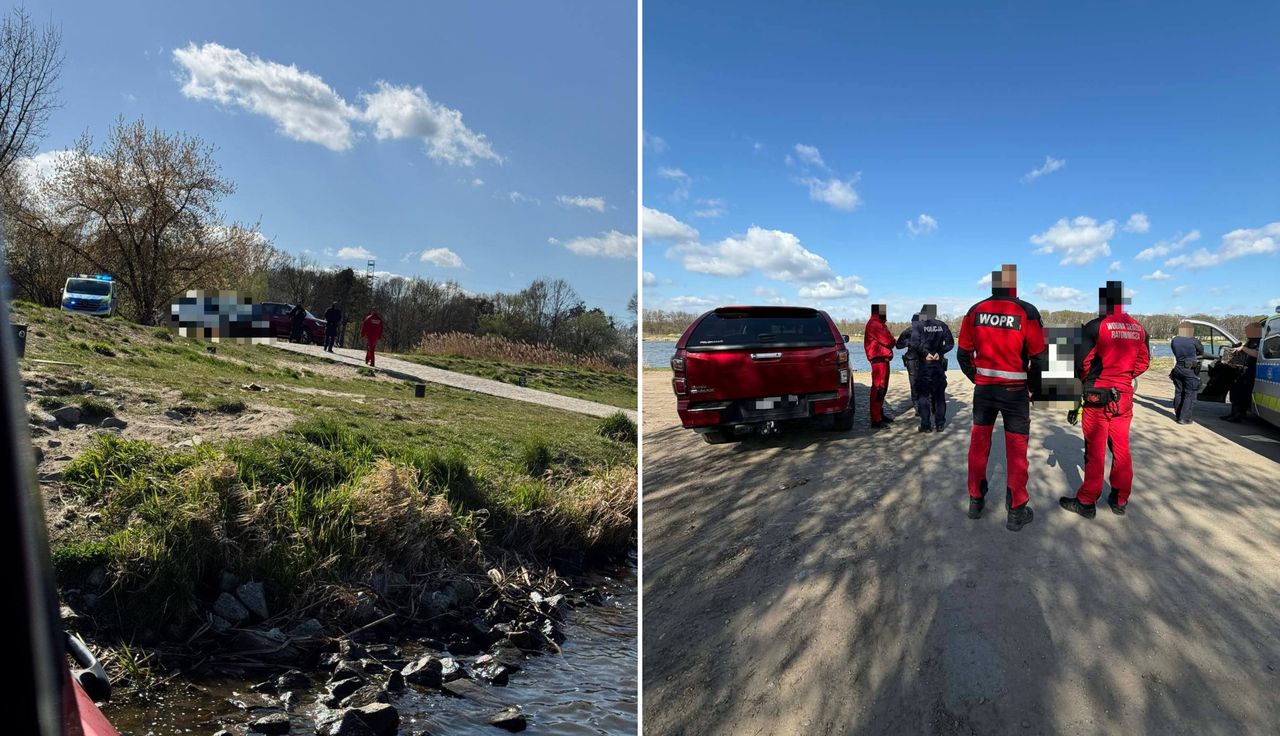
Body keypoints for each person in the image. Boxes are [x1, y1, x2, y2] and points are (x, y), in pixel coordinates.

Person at [957, 264, 1046, 532]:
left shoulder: (975, 311)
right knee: (1017, 451)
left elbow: (963, 355)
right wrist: (1032, 388)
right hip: (1015, 392)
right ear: (1014, 285)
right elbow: (1039, 358)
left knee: (978, 445)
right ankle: (1016, 510)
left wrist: (978, 379)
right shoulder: (1027, 311)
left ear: (994, 285)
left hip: (984, 391)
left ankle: (975, 500)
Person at [1060, 281, 1150, 518]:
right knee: (1122, 449)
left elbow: (1081, 362)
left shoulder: (1096, 326)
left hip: (1097, 398)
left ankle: (1087, 501)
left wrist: (1091, 380)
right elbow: (1143, 362)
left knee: (1095, 450)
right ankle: (1120, 500)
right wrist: (1124, 377)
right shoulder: (1139, 329)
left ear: (1103, 301)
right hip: (1124, 398)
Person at [909, 304, 954, 432]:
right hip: (938, 364)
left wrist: (925, 353)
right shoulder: (942, 325)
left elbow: (914, 344)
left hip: (925, 364)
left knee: (923, 396)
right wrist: (939, 353)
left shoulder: (919, 326)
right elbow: (950, 343)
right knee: (939, 395)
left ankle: (926, 425)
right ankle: (940, 423)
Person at [863, 304, 897, 428]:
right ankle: (876, 419)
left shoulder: (878, 323)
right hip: (879, 360)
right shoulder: (875, 324)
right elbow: (888, 340)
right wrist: (893, 340)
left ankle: (879, 414)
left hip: (882, 359)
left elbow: (888, 339)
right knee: (878, 389)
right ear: (880, 312)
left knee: (881, 389)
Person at [1224, 322, 1263, 422]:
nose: (1246, 332)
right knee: (1236, 392)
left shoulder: (1259, 341)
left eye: (1248, 330)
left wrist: (1243, 348)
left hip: (1251, 372)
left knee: (1241, 394)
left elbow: (1256, 353)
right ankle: (1235, 413)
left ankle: (1238, 415)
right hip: (1244, 370)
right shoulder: (1251, 341)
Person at [1169, 322, 1203, 424]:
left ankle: (1178, 415)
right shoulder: (1194, 340)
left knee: (1179, 392)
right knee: (1190, 393)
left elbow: (1175, 352)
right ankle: (1184, 418)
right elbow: (1201, 351)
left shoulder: (1174, 340)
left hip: (1178, 367)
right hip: (1189, 369)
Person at [895, 313, 921, 414]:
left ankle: (925, 405)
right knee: (914, 383)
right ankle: (918, 407)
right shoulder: (908, 331)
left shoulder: (927, 330)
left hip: (924, 360)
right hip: (912, 360)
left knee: (924, 382)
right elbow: (898, 345)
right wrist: (909, 342)